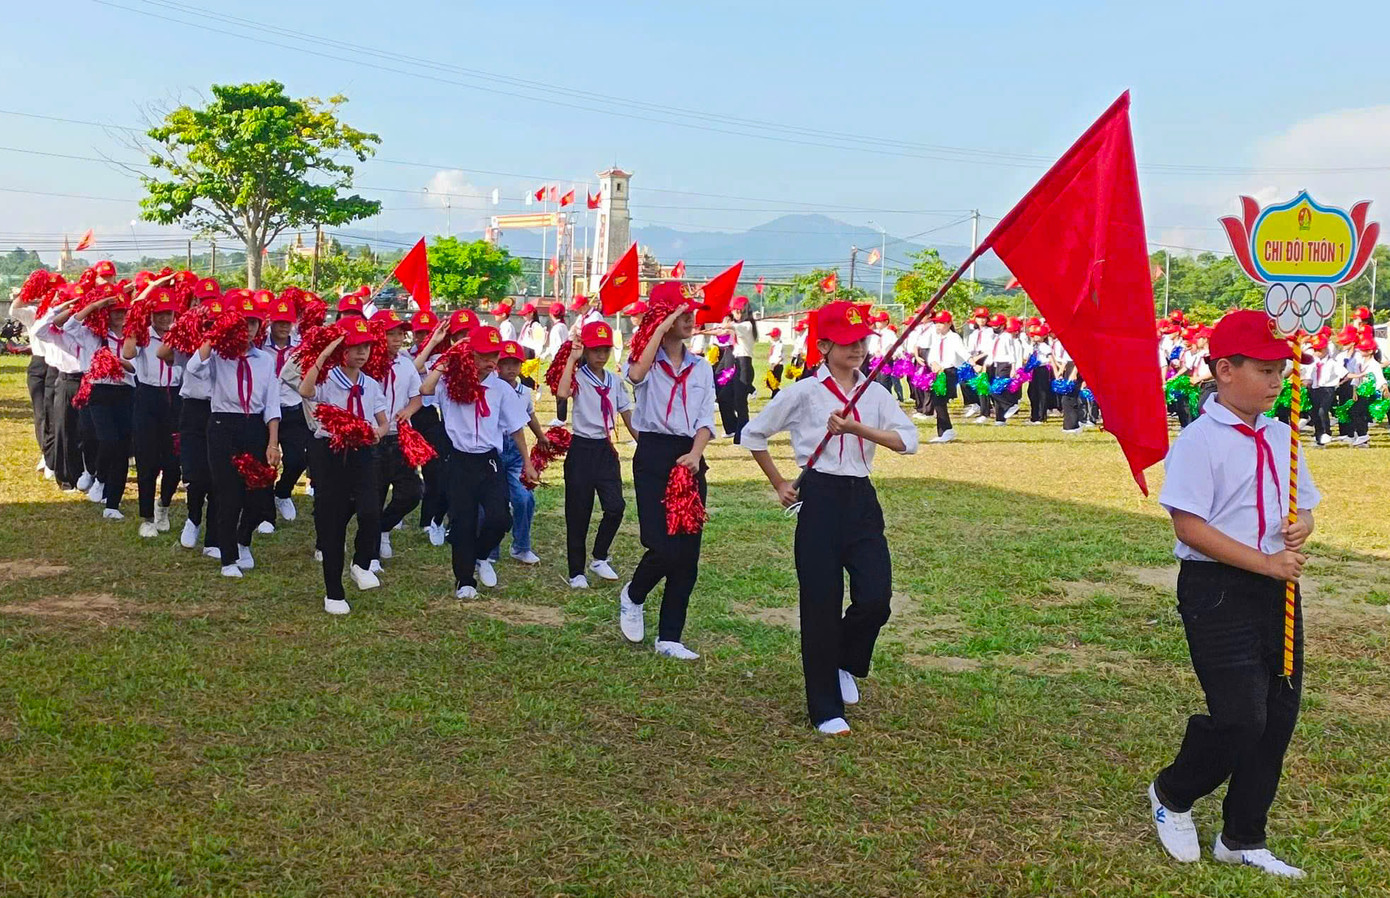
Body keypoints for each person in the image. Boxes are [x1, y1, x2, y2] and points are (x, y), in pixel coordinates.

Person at [1149, 309, 1318, 878]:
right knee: (1241, 715)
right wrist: (1266, 562)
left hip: (1278, 591)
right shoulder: (1200, 441)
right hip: (1217, 588)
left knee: (1278, 713)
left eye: (1281, 371)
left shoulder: (1280, 432)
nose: (1277, 381)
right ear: (1224, 370)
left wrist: (1304, 526)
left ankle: (1243, 835)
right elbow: (1189, 527)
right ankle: (1173, 792)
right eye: (1266, 370)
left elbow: (1306, 503)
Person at [741, 300, 918, 734]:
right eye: (846, 342)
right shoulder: (804, 393)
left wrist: (859, 429)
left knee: (876, 598)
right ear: (822, 345)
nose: (857, 349)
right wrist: (780, 483)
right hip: (819, 497)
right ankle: (825, 708)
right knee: (819, 604)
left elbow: (907, 442)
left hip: (861, 499)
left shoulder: (875, 391)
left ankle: (845, 659)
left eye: (861, 340)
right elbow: (753, 433)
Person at [618, 282, 716, 660]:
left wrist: (696, 454)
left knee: (687, 553)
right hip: (654, 452)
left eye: (691, 313)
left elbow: (707, 416)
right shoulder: (645, 360)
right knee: (660, 545)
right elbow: (637, 376)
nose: (690, 320)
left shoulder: (702, 366)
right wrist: (660, 327)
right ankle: (633, 594)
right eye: (680, 314)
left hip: (689, 456)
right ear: (662, 318)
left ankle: (670, 636)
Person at [418, 325, 537, 599]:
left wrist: (528, 463)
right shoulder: (450, 382)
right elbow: (425, 389)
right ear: (469, 355)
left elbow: (517, 426)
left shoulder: (500, 389)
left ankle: (482, 555)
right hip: (458, 461)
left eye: (494, 355)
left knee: (499, 517)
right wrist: (444, 363)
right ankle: (465, 580)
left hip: (488, 460)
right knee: (463, 522)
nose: (490, 362)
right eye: (483, 356)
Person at [184, 294, 282, 578]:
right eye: (242, 322)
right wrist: (215, 337)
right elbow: (193, 369)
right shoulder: (217, 356)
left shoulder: (265, 359)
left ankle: (243, 540)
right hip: (222, 424)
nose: (248, 328)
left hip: (254, 426)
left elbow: (271, 403)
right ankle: (228, 557)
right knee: (228, 493)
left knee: (259, 493)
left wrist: (272, 441)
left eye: (253, 322)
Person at [299, 316, 390, 612]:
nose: (361, 353)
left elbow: (382, 419)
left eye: (366, 347)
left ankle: (361, 562)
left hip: (362, 451)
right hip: (330, 452)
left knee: (371, 510)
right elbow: (305, 390)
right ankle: (333, 593)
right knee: (332, 523)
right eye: (354, 347)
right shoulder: (327, 379)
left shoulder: (371, 384)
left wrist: (378, 430)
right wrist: (325, 354)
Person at [555, 320, 632, 588]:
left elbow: (626, 412)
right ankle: (576, 571)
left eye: (605, 350)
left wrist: (642, 443)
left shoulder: (613, 380)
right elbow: (562, 393)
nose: (601, 355)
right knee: (578, 513)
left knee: (615, 507)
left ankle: (599, 556)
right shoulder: (577, 376)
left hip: (605, 448)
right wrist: (571, 361)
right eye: (595, 349)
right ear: (585, 350)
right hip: (581, 449)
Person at [61, 287, 136, 518]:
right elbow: (69, 325)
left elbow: (137, 369)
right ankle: (99, 477)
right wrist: (95, 305)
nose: (119, 316)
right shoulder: (94, 335)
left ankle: (112, 505)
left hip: (126, 392)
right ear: (107, 313)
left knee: (123, 448)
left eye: (123, 311)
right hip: (99, 392)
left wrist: (118, 363)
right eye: (114, 311)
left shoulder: (134, 337)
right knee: (107, 440)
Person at [122, 284, 183, 536]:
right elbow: (127, 353)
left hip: (176, 399)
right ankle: (146, 517)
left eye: (169, 313)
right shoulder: (144, 334)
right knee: (147, 461)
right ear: (151, 315)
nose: (165, 319)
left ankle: (164, 505)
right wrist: (134, 327)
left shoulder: (182, 334)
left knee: (174, 463)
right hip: (147, 397)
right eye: (159, 314)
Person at [413, 309, 478, 543]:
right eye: (459, 335)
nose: (465, 339)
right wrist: (436, 343)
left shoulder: (487, 363)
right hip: (449, 432)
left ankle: (457, 523)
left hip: (478, 434)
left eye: (469, 333)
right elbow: (419, 376)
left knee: (469, 484)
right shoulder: (442, 362)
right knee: (443, 479)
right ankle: (437, 519)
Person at [484, 339, 549, 565]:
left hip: (514, 449)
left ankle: (521, 546)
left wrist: (541, 436)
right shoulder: (488, 387)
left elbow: (528, 415)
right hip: (492, 448)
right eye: (506, 363)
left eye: (516, 363)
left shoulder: (523, 391)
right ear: (496, 365)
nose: (511, 369)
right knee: (491, 502)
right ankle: (489, 550)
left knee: (524, 498)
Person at [371, 310, 423, 561]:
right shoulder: (368, 363)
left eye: (400, 333)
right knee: (375, 494)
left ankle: (384, 527)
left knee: (413, 491)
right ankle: (369, 555)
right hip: (374, 437)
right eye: (390, 334)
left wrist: (408, 410)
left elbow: (417, 396)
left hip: (400, 436)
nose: (397, 339)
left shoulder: (406, 364)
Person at [264, 297, 308, 525]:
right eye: (279, 322)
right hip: (265, 409)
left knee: (298, 459)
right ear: (271, 322)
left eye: (287, 322)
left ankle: (282, 492)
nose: (283, 327)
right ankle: (264, 512)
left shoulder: (301, 346)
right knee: (263, 461)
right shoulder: (260, 346)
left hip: (292, 407)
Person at [922, 310, 965, 443]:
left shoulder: (954, 338)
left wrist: (973, 362)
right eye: (936, 323)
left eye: (941, 323)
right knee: (937, 401)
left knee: (939, 400)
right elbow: (932, 355)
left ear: (949, 323)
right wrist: (933, 363)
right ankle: (943, 432)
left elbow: (962, 352)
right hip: (938, 373)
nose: (938, 326)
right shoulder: (936, 338)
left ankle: (947, 430)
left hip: (949, 372)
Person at [1302, 335, 1344, 447]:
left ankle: (1326, 433)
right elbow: (1308, 374)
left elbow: (1344, 374)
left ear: (1325, 349)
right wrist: (1307, 381)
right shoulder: (1312, 361)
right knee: (1315, 413)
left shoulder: (1332, 362)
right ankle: (1318, 436)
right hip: (1314, 388)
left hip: (1327, 389)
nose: (1316, 352)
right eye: (1315, 350)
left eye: (1319, 350)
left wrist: (1338, 383)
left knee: (1322, 411)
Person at [545, 302, 570, 426]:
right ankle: (561, 416)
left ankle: (561, 418)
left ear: (551, 314)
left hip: (559, 362)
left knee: (559, 390)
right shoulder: (563, 327)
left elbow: (559, 346)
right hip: (561, 361)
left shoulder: (557, 328)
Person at [1024, 323, 1054, 425]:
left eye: (1039, 335)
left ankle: (1041, 416)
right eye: (1035, 335)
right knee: (1032, 392)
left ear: (1044, 336)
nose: (1036, 337)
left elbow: (1050, 358)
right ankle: (1034, 416)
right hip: (1033, 370)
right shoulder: (1032, 346)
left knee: (1042, 393)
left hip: (1042, 369)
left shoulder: (1045, 347)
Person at [766, 327, 786, 398]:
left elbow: (780, 357)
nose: (772, 338)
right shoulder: (774, 344)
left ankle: (778, 393)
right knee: (769, 381)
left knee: (774, 381)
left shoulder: (780, 345)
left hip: (777, 365)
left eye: (773, 336)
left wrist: (774, 364)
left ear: (778, 336)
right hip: (773, 364)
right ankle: (775, 393)